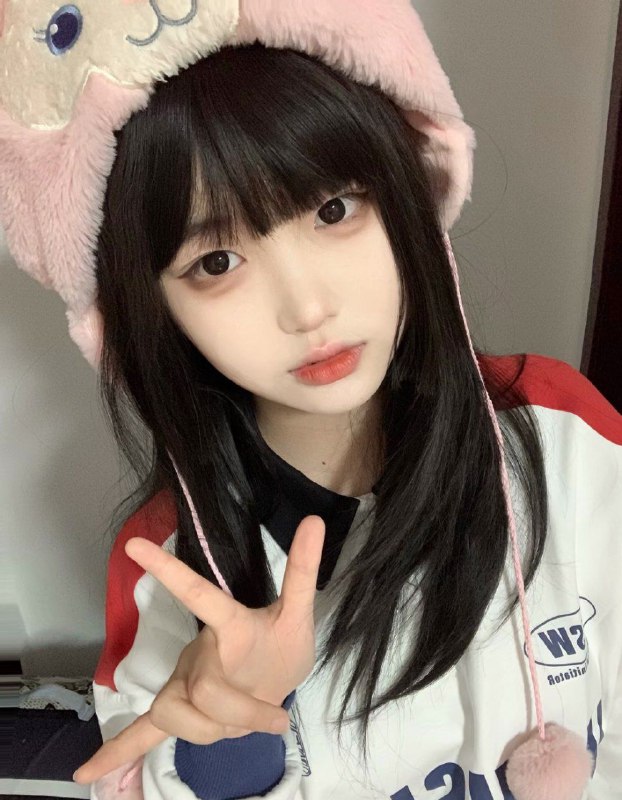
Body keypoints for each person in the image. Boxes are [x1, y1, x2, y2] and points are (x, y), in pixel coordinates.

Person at [1, 2, 620, 799]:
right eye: (216, 262)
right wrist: (234, 737)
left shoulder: (562, 430)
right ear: (152, 314)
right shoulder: (165, 565)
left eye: (334, 210)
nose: (307, 308)